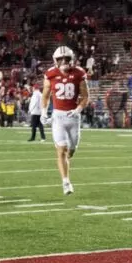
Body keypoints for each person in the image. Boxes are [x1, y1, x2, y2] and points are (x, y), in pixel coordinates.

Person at [42, 46, 90, 195]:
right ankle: (66, 182)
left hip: (73, 117)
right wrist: (43, 112)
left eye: (66, 59)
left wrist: (77, 110)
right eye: (60, 59)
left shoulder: (79, 73)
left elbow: (86, 96)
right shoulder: (50, 74)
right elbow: (45, 95)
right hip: (58, 116)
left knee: (72, 149)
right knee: (61, 149)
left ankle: (68, 161)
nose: (63, 62)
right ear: (55, 61)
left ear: (72, 59)